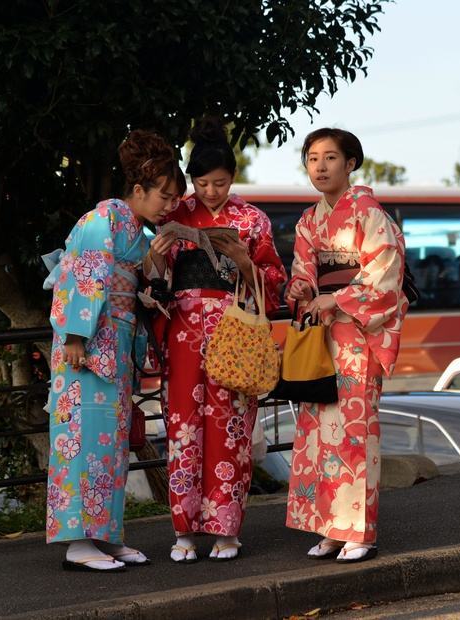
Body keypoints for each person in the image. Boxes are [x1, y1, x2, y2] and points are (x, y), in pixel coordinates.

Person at [45, 129, 185, 572]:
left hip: (115, 340)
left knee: (109, 445)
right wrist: (74, 336)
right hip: (85, 347)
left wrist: (156, 266)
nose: (168, 206)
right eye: (163, 195)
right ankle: (76, 543)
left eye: (172, 198)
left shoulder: (135, 229)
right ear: (138, 189)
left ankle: (106, 536)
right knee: (81, 440)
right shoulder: (103, 219)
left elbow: (142, 286)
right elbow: (83, 275)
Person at [149, 117, 286, 562]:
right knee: (183, 428)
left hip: (234, 331)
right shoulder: (175, 215)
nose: (211, 192)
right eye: (203, 183)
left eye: (221, 183)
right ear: (192, 180)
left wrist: (245, 262)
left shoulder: (251, 219)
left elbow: (275, 280)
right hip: (184, 329)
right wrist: (155, 260)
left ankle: (227, 530)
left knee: (230, 429)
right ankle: (184, 532)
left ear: (233, 178)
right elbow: (155, 279)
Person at [284, 128, 408, 563]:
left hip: (357, 334)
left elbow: (385, 273)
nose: (320, 166)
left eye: (330, 157)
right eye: (312, 158)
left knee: (354, 432)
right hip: (324, 335)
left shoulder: (368, 212)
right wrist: (300, 289)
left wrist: (336, 298)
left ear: (350, 163)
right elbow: (303, 268)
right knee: (320, 431)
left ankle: (360, 530)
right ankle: (331, 527)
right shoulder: (308, 220)